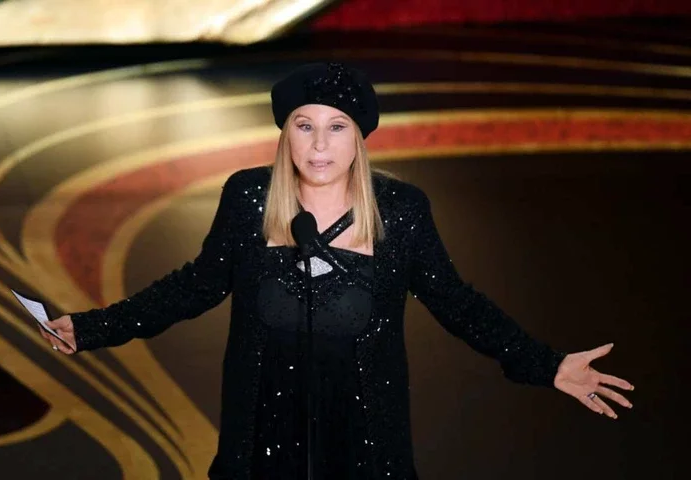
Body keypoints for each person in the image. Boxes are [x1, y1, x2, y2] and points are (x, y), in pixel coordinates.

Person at [38, 62, 634, 479]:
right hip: (259, 443)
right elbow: (193, 286)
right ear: (285, 133)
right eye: (304, 125)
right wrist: (92, 328)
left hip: (365, 444)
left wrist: (545, 364)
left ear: (359, 138)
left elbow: (457, 303)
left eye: (337, 127)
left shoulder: (400, 211)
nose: (319, 146)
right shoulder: (249, 198)